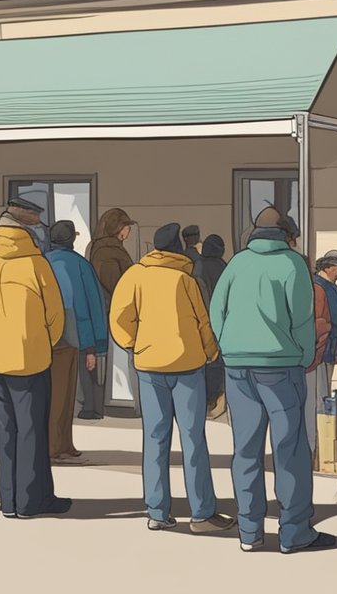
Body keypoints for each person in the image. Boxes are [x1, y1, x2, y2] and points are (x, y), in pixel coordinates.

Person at [209, 207, 333, 554]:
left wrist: (230, 347)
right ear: (287, 235)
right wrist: (305, 355)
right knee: (289, 449)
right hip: (281, 366)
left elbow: (216, 312)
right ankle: (294, 533)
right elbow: (303, 320)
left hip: (237, 367)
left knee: (245, 450)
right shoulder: (292, 264)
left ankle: (249, 532)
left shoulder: (237, 263)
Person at [111, 223, 233, 533]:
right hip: (187, 367)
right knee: (193, 440)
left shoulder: (135, 276)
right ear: (178, 249)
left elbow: (119, 318)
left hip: (150, 367)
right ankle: (202, 513)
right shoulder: (185, 280)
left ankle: (157, 511)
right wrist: (210, 353)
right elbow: (203, 322)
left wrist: (136, 344)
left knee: (155, 439)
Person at [0, 198, 72, 519]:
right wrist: (44, 342)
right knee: (32, 431)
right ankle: (32, 502)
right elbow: (55, 315)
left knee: (6, 431)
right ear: (28, 229)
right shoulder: (35, 263)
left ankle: (10, 501)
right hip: (30, 357)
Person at [44, 220, 107, 465]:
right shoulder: (81, 265)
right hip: (70, 339)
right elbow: (92, 306)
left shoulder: (42, 263)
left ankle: (62, 444)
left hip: (45, 338)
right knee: (65, 395)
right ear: (71, 240)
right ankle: (57, 446)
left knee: (52, 394)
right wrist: (94, 347)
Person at [86, 208, 137, 420]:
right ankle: (118, 403)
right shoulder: (110, 252)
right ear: (118, 229)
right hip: (114, 312)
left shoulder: (100, 248)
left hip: (108, 311)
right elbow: (116, 285)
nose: (128, 232)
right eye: (126, 227)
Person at [306, 250, 337, 458]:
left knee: (322, 396)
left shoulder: (326, 286)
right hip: (323, 348)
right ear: (330, 267)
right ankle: (317, 447)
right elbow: (319, 322)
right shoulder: (319, 287)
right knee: (319, 398)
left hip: (328, 346)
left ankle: (320, 446)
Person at [192, 234, 229, 417]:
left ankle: (206, 400)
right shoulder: (224, 267)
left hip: (203, 320)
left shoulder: (198, 266)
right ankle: (215, 399)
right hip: (223, 321)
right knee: (219, 362)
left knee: (206, 361)